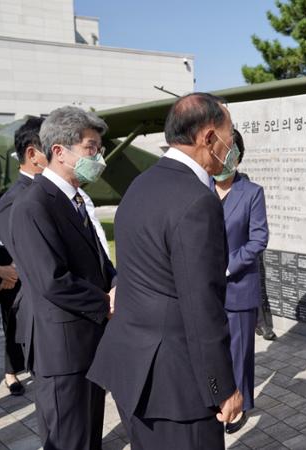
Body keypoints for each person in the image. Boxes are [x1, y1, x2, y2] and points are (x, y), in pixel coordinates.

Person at [88, 93, 242, 450]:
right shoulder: (196, 200)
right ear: (207, 137)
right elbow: (202, 304)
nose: (231, 143)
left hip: (133, 371)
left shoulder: (141, 185)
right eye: (229, 133)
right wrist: (223, 387)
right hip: (176, 386)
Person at [8, 106, 117, 450]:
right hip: (63, 353)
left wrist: (116, 284)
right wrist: (105, 302)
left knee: (89, 438)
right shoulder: (33, 205)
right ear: (59, 151)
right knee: (70, 441)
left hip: (89, 344)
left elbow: (100, 262)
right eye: (91, 148)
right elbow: (51, 279)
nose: (98, 157)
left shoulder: (75, 200)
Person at [211, 128, 269, 433]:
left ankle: (241, 404)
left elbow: (259, 239)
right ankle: (217, 398)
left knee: (239, 350)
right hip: (206, 289)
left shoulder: (252, 192)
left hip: (238, 286)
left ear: (236, 155)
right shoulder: (201, 187)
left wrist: (228, 267)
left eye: (226, 152)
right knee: (212, 347)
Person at [0, 117, 47, 395]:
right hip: (22, 285)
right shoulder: (15, 198)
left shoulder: (46, 190)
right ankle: (11, 372)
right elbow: (16, 247)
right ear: (31, 153)